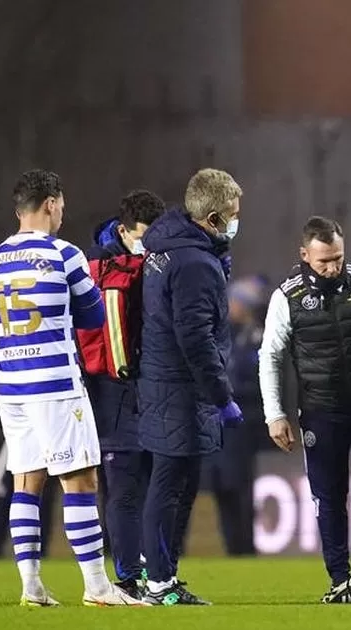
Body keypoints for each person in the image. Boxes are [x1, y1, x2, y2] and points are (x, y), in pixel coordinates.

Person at [0, 169, 144, 606]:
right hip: (54, 384)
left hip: (11, 386)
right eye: (61, 205)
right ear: (51, 203)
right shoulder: (64, 254)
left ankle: (31, 586)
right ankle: (97, 586)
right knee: (81, 480)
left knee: (26, 482)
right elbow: (93, 318)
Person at [259, 216, 351, 595]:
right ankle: (339, 577)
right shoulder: (287, 297)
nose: (332, 267)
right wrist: (275, 414)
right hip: (320, 412)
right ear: (304, 255)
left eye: (338, 258)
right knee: (328, 498)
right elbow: (270, 357)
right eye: (323, 260)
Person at [138, 168, 246, 606]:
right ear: (213, 218)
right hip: (181, 391)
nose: (239, 222)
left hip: (163, 382)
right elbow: (196, 337)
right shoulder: (194, 263)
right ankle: (160, 584)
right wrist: (222, 397)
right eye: (234, 215)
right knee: (170, 484)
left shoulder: (168, 249)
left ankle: (160, 576)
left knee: (174, 484)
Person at [82, 189, 165, 597]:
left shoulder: (137, 266)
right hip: (112, 390)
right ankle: (129, 576)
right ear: (123, 230)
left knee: (151, 484)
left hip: (146, 387)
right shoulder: (100, 269)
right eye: (144, 237)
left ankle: (152, 573)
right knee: (123, 486)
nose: (150, 247)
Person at [202, 278, 267, 557]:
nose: (235, 307)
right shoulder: (222, 335)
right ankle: (232, 547)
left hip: (242, 426)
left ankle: (245, 547)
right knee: (222, 489)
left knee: (241, 489)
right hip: (218, 426)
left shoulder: (256, 337)